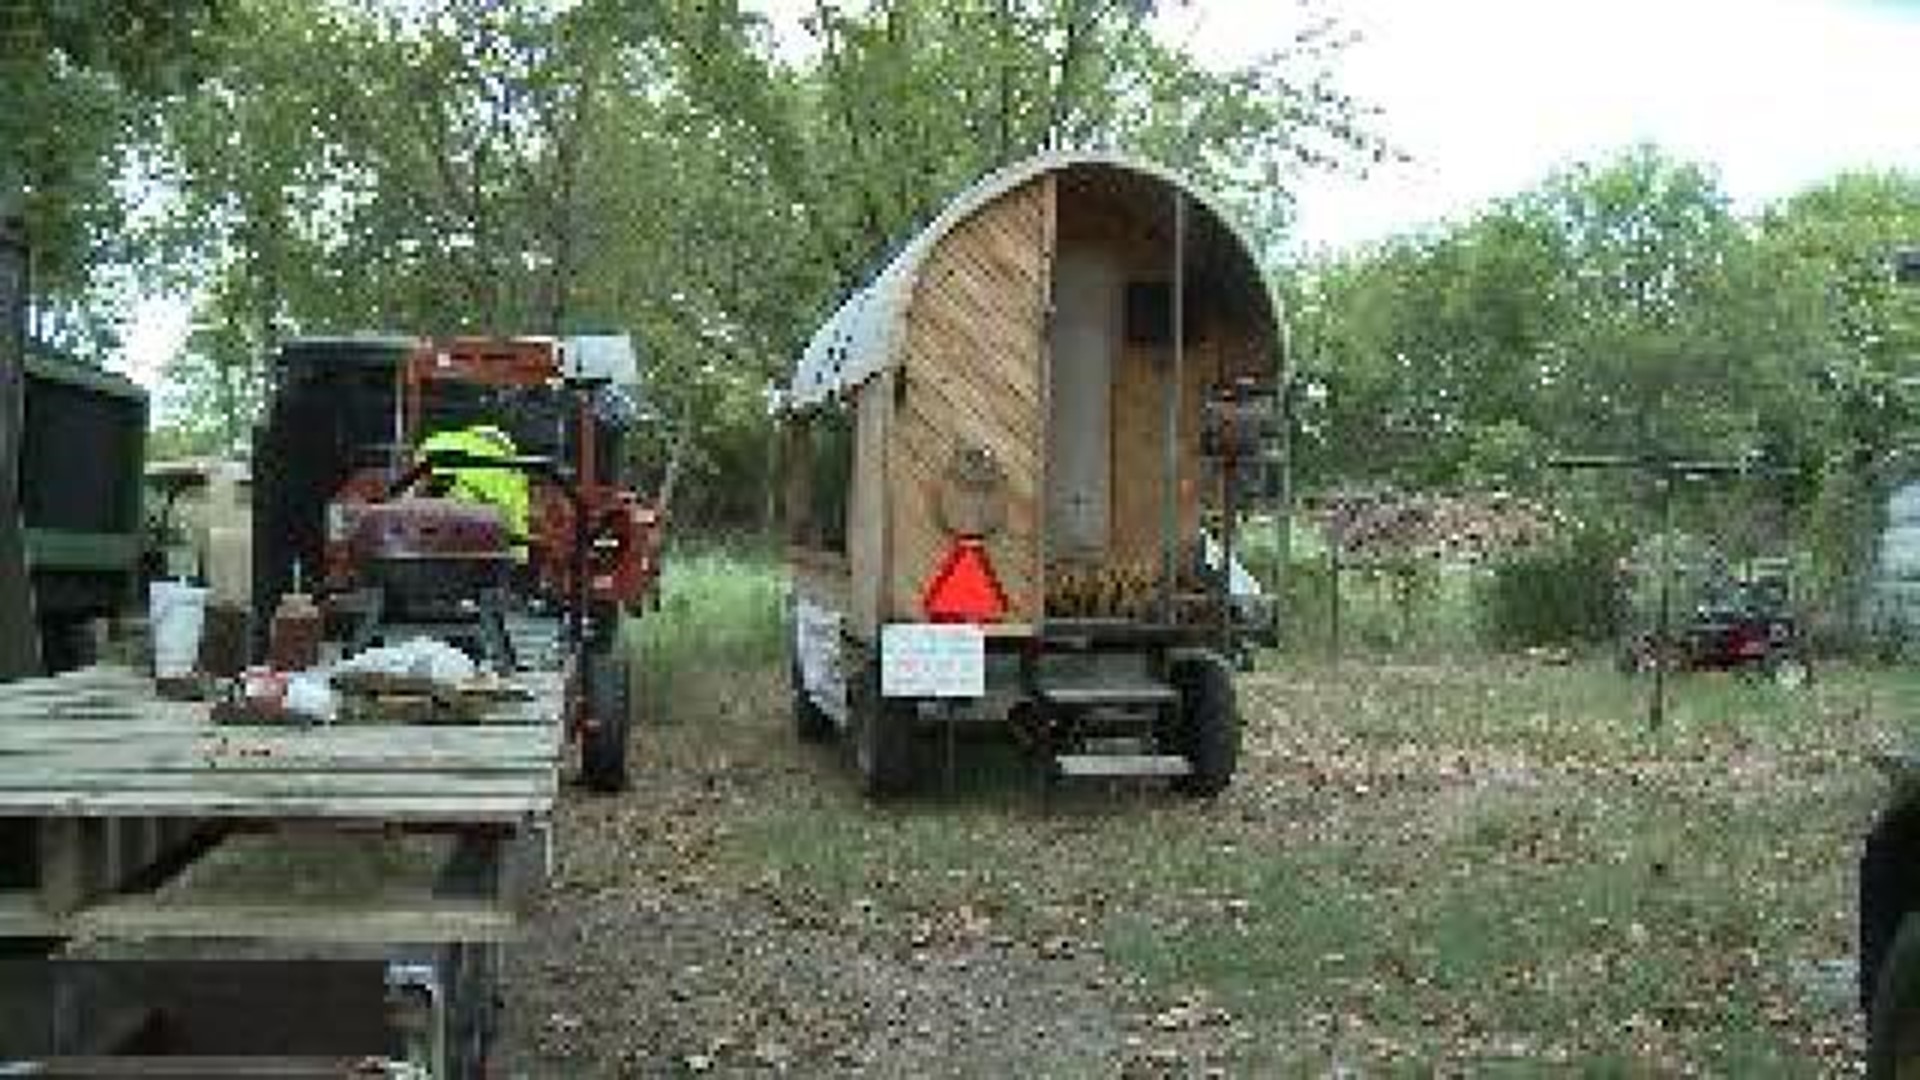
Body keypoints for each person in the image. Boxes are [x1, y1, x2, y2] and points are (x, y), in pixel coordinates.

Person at [417, 425, 530, 557]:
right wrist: (520, 557)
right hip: (480, 539)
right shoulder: (512, 471)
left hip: (440, 532)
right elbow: (517, 518)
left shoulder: (442, 441)